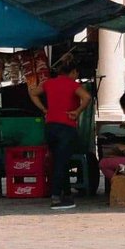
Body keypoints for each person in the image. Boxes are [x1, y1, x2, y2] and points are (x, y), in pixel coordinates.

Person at [29, 60, 91, 211]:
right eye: (76, 74)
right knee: (62, 162)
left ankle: (67, 194)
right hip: (66, 126)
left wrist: (44, 109)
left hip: (50, 126)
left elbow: (33, 93)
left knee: (57, 160)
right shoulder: (72, 84)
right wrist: (77, 111)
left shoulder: (49, 83)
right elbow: (87, 97)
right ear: (73, 72)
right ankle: (56, 197)